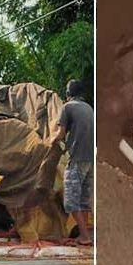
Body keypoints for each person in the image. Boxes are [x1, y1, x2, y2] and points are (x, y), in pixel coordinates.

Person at [52, 79, 94, 246]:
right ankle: (86, 236)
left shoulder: (67, 107)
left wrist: (48, 141)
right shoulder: (88, 108)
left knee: (70, 200)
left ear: (68, 94)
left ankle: (84, 236)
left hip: (77, 159)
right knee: (83, 199)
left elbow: (60, 134)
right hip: (90, 160)